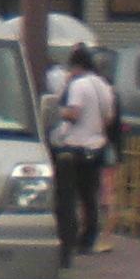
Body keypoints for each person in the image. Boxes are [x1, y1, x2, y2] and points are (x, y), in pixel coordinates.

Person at [48, 42, 118, 258]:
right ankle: (89, 238)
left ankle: (69, 236)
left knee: (69, 195)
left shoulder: (78, 85)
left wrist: (59, 111)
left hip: (76, 147)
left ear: (77, 66)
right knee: (90, 196)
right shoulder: (104, 86)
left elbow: (74, 114)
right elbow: (109, 118)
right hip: (97, 147)